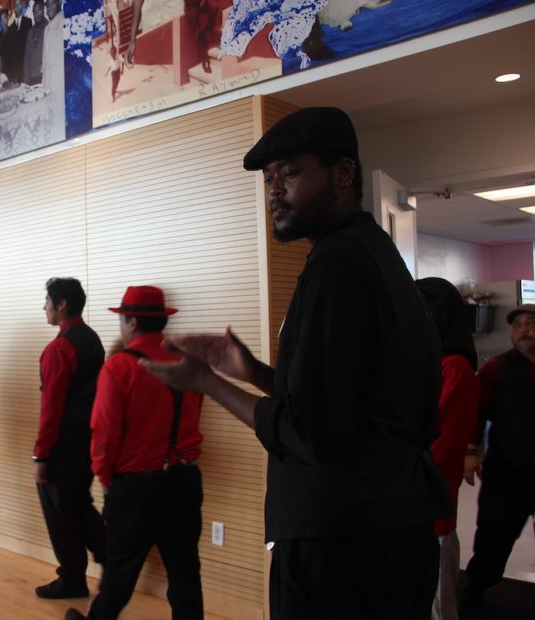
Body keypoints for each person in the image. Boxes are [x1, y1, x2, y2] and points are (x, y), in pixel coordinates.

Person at [142, 106, 451, 620]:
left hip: (344, 544)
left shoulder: (337, 264)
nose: (274, 190)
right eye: (268, 178)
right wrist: (256, 372)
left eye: (290, 173)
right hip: (387, 528)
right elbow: (348, 401)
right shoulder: (373, 251)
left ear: (344, 173)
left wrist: (208, 383)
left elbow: (311, 433)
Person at [65, 286, 205, 620]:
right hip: (185, 481)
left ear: (130, 322)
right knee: (185, 574)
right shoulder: (189, 363)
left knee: (119, 575)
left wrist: (106, 478)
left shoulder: (119, 367)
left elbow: (104, 435)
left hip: (135, 488)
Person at [34, 278, 107, 599]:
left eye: (47, 301)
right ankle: (110, 558)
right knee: (78, 504)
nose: (44, 307)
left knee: (61, 512)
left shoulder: (59, 348)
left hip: (63, 444)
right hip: (89, 438)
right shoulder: (93, 339)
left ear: (62, 304)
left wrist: (41, 456)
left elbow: (51, 409)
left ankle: (75, 578)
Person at [461, 303, 535, 609]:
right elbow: (475, 413)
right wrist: (470, 451)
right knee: (493, 540)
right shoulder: (497, 368)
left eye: (530, 323)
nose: (522, 329)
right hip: (507, 471)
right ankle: (472, 598)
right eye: (517, 325)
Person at [416, 277, 481, 620]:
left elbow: (440, 449)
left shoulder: (454, 367)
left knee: (438, 607)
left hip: (431, 514)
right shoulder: (428, 364)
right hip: (408, 514)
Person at [23, 0, 48, 86]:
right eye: (34, 12)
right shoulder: (30, 32)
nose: (36, 14)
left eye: (39, 11)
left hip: (45, 75)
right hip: (32, 78)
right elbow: (27, 56)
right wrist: (25, 79)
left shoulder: (49, 27)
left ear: (43, 10)